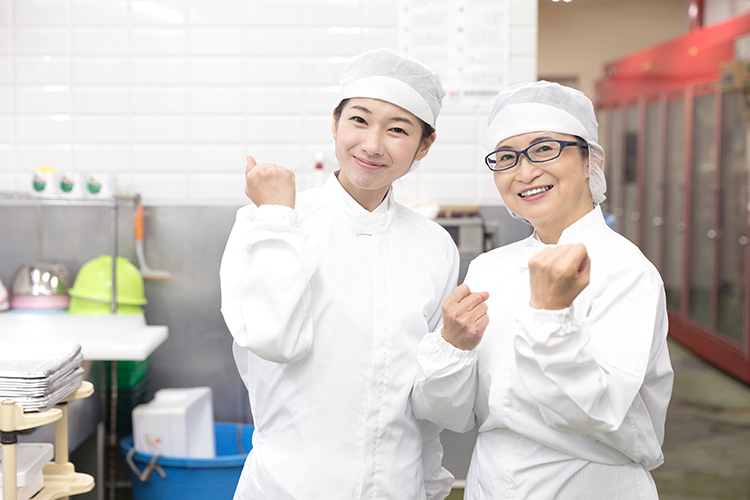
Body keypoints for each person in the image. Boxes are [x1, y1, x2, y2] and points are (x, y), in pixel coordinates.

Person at [411, 81, 674, 499]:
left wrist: (552, 316)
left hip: (589, 484)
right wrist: (453, 346)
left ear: (590, 159)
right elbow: (449, 413)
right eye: (506, 157)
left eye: (544, 148)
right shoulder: (489, 269)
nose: (525, 171)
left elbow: (598, 409)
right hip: (491, 482)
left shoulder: (625, 271)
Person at [219, 48, 458, 500]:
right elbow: (272, 339)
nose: (372, 144)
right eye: (359, 120)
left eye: (398, 130)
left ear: (424, 146)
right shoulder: (273, 221)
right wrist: (274, 216)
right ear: (335, 124)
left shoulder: (434, 246)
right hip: (288, 488)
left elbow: (424, 401)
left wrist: (430, 487)